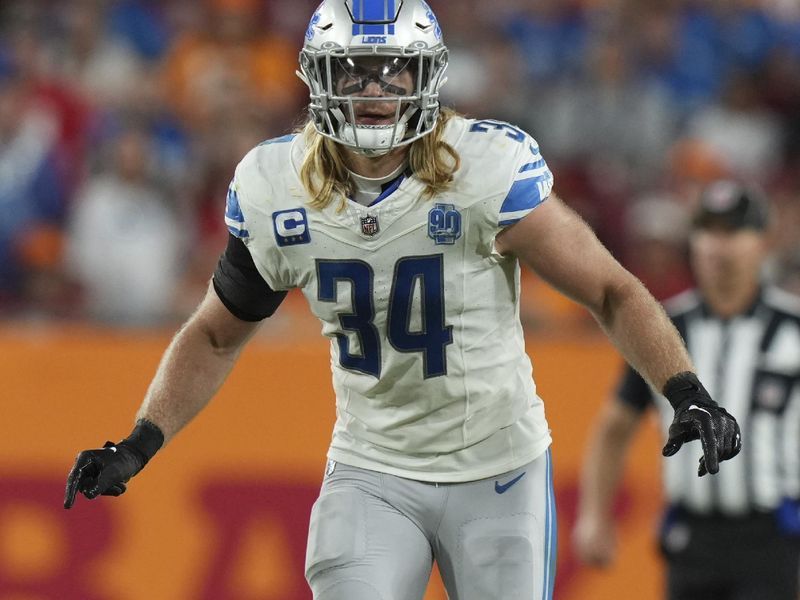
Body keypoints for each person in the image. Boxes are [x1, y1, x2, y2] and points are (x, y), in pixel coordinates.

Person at [63, 2, 741, 599]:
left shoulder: (483, 170)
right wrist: (138, 441)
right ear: (319, 78)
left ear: (428, 76)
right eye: (355, 69)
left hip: (498, 470)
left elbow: (609, 288)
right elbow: (216, 333)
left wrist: (684, 389)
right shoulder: (277, 189)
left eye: (395, 69)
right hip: (372, 469)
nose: (376, 88)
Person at [573, 180, 800, 600]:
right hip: (690, 536)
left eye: (733, 231)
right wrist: (594, 516)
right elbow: (615, 426)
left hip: (772, 535)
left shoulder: (792, 329)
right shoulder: (664, 332)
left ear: (762, 242)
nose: (719, 246)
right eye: (708, 231)